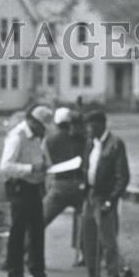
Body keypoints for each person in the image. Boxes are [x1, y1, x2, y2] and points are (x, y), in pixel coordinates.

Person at [0, 104, 61, 277]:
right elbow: (5, 166)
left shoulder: (39, 136)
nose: (44, 131)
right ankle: (15, 274)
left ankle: (37, 273)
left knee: (37, 229)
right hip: (19, 186)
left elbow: (44, 158)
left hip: (35, 186)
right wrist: (30, 169)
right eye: (41, 126)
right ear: (32, 121)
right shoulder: (17, 137)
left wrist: (48, 167)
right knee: (18, 230)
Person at [77, 110, 130, 277]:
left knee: (108, 241)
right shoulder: (90, 143)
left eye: (91, 126)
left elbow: (123, 177)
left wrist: (111, 200)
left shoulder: (115, 144)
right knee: (88, 239)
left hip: (105, 197)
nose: (88, 129)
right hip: (90, 195)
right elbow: (87, 167)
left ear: (101, 125)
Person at [42, 107, 87, 259]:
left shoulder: (49, 140)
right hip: (81, 184)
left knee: (40, 220)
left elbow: (46, 163)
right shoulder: (82, 139)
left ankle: (25, 253)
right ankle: (85, 254)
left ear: (56, 123)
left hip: (60, 183)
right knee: (84, 220)